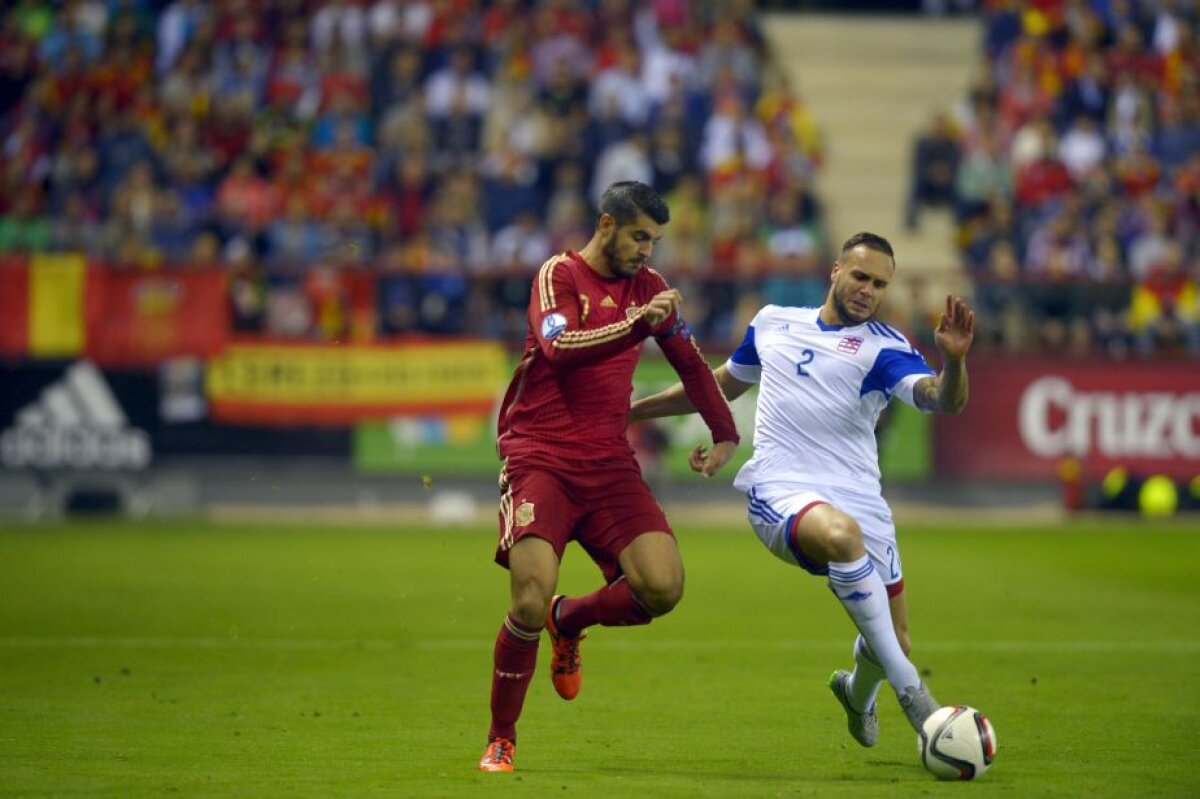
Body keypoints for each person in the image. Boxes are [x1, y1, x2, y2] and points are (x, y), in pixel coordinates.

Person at [629, 232, 975, 752]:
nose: (868, 290)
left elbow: (940, 401)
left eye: (880, 284)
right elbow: (721, 384)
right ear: (835, 271)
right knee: (841, 537)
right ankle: (917, 701)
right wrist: (632, 411)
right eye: (861, 276)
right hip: (780, 490)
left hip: (861, 500)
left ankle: (856, 696)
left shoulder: (886, 347)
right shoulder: (773, 323)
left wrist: (955, 364)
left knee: (894, 642)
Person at [479, 181, 740, 772]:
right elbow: (559, 348)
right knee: (526, 599)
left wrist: (725, 433)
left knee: (663, 587)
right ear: (606, 225)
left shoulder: (649, 292)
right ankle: (502, 737)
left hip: (607, 461)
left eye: (655, 240)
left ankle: (569, 619)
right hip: (539, 455)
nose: (648, 251)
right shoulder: (558, 276)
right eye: (639, 236)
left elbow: (691, 364)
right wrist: (635, 325)